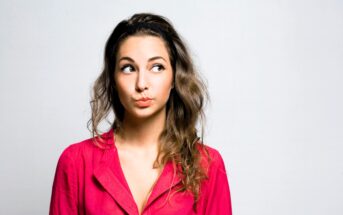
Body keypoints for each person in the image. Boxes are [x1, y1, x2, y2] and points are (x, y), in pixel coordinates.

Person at [49, 13, 232, 215]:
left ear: (174, 78)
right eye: (128, 68)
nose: (141, 84)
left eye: (157, 67)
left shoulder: (207, 164)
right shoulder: (76, 162)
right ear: (113, 79)